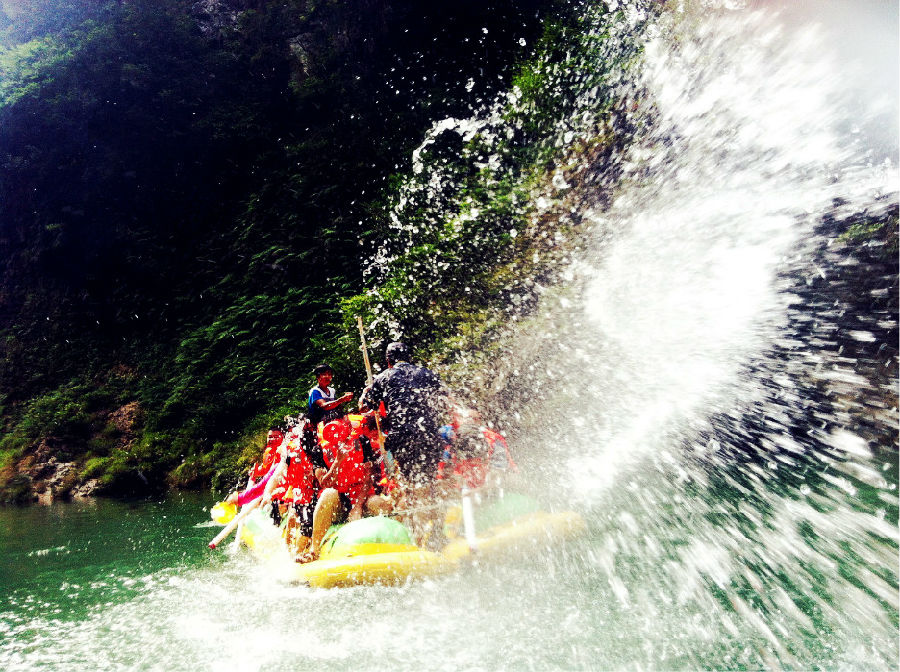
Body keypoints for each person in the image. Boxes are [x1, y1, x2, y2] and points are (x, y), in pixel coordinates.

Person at [359, 342, 447, 487]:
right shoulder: (425, 373)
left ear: (388, 361)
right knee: (430, 478)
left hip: (402, 435)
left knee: (409, 480)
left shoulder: (383, 377)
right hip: (428, 432)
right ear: (409, 358)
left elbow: (364, 407)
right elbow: (445, 395)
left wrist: (367, 392)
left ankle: (413, 503)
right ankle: (432, 503)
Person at [307, 363, 353, 428]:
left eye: (329, 374)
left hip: (328, 421)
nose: (327, 377)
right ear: (318, 377)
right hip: (317, 423)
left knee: (343, 415)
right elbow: (324, 406)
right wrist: (341, 400)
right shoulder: (315, 391)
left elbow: (338, 408)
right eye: (324, 374)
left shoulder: (332, 391)